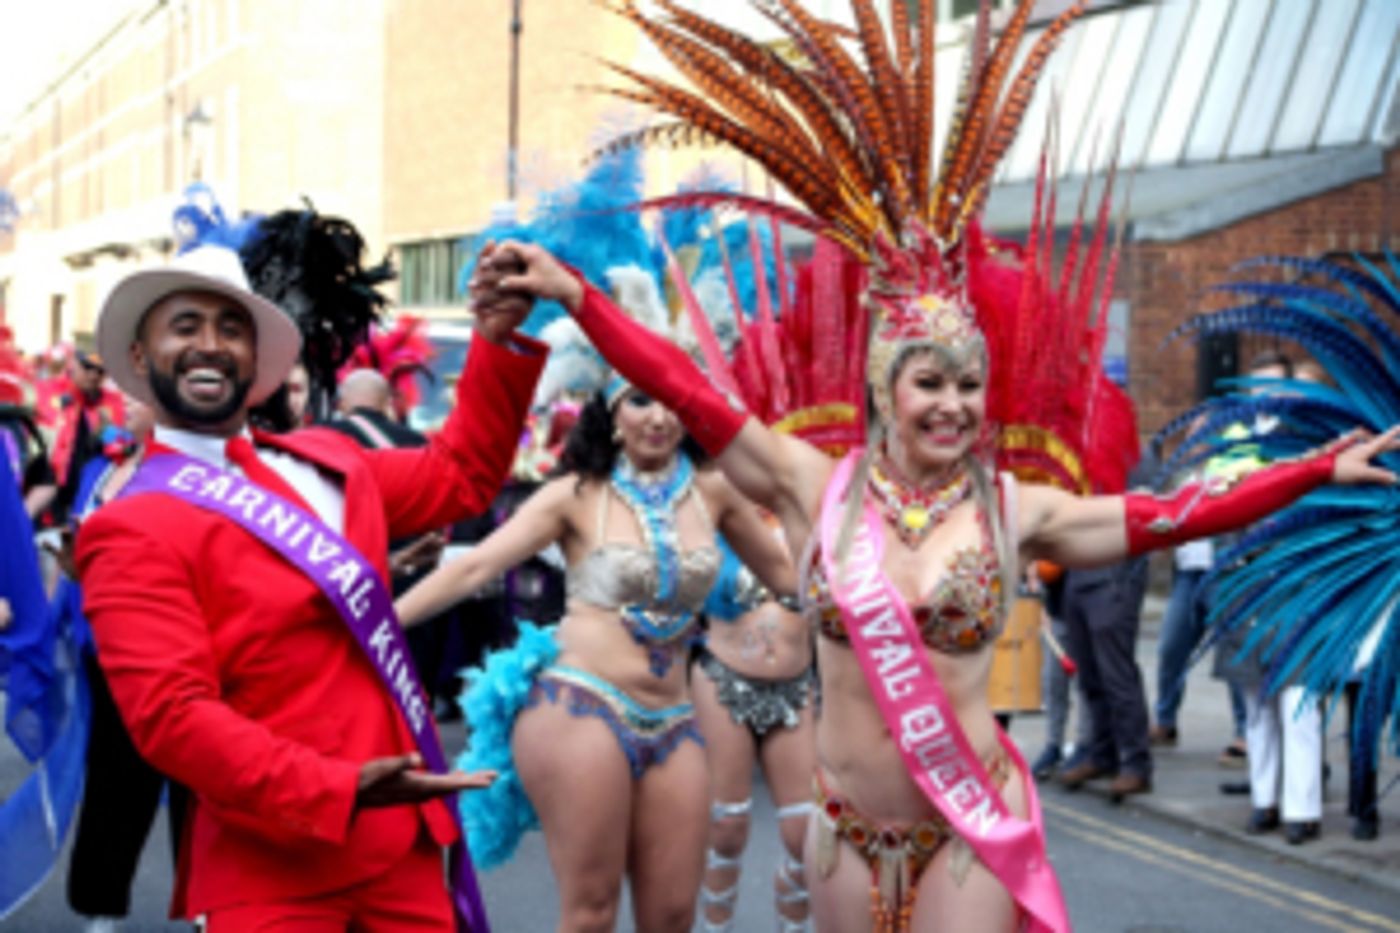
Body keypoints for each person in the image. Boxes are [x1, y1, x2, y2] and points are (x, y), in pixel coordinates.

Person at [74, 242, 545, 930]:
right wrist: (338, 787)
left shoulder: (329, 461)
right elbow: (173, 717)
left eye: (231, 328)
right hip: (271, 867)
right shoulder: (127, 524)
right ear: (141, 360)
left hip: (403, 850)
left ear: (254, 360)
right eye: (185, 325)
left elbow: (462, 475)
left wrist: (495, 342)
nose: (211, 344)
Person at [397, 377, 796, 933]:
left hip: (675, 720)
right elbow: (474, 568)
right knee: (591, 913)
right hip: (582, 705)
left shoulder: (715, 492)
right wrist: (376, 625)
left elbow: (790, 578)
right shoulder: (576, 494)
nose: (657, 417)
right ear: (610, 414)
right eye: (639, 400)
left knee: (673, 917)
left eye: (672, 403)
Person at [694, 528, 815, 933]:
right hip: (723, 679)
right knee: (726, 828)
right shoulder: (719, 512)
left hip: (796, 686)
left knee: (805, 835)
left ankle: (792, 921)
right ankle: (716, 925)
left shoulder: (808, 511)